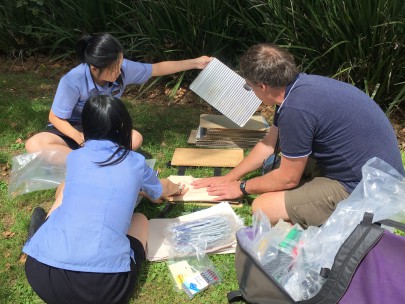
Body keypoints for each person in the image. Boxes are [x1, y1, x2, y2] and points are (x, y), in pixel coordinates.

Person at [193, 43, 405, 228]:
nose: (250, 90)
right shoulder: (297, 88)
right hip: (371, 172)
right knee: (277, 170)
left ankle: (340, 223)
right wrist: (230, 177)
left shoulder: (295, 109)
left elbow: (288, 179)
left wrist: (241, 187)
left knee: (262, 206)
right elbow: (269, 143)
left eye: (249, 86)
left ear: (262, 86)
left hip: (369, 191)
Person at [23, 95, 187, 304]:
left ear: (86, 128)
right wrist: (174, 187)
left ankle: (43, 231)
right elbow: (159, 190)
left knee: (65, 190)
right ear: (124, 127)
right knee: (140, 220)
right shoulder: (135, 161)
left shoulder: (75, 157)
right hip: (103, 289)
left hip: (43, 275)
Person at [25, 32, 212, 153]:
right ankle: (90, 160)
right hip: (72, 131)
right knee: (34, 145)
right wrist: (79, 138)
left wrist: (195, 63)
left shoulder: (123, 68)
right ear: (94, 68)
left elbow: (157, 68)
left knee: (135, 139)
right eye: (113, 68)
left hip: (102, 129)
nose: (119, 71)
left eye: (120, 63)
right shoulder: (72, 80)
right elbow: (55, 117)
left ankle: (83, 160)